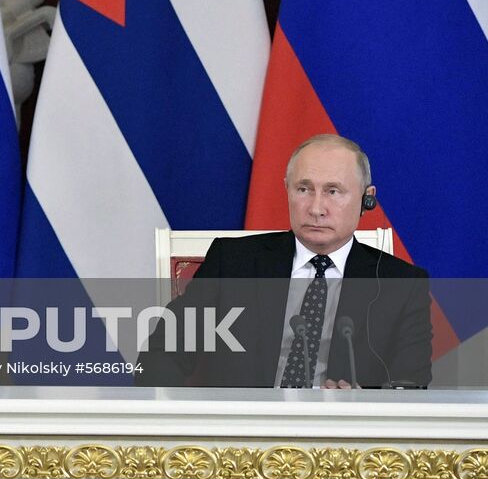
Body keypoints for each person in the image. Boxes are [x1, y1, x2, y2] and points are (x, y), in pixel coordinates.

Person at [136, 134, 431, 389]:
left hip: (344, 445)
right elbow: (162, 353)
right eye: (303, 189)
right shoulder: (233, 263)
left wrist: (362, 406)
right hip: (239, 441)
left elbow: (411, 384)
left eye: (333, 191)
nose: (316, 208)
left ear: (368, 199)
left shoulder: (402, 285)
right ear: (287, 189)